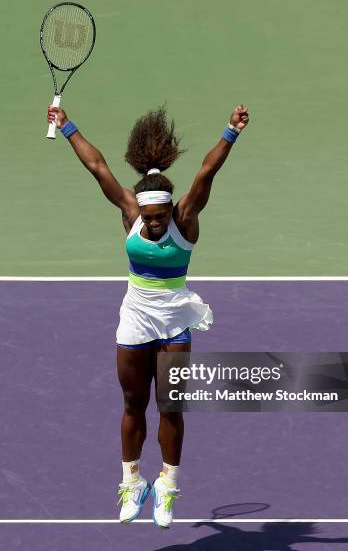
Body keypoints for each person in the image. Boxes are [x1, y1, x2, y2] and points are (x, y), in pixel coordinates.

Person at [47, 103, 250, 528]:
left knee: (170, 406)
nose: (154, 225)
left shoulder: (186, 218)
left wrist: (230, 132)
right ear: (137, 211)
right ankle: (132, 482)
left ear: (171, 209)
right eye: (148, 218)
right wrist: (67, 127)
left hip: (175, 320)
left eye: (159, 217)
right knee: (133, 403)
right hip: (135, 319)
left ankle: (168, 486)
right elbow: (98, 166)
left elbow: (206, 173)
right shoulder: (130, 212)